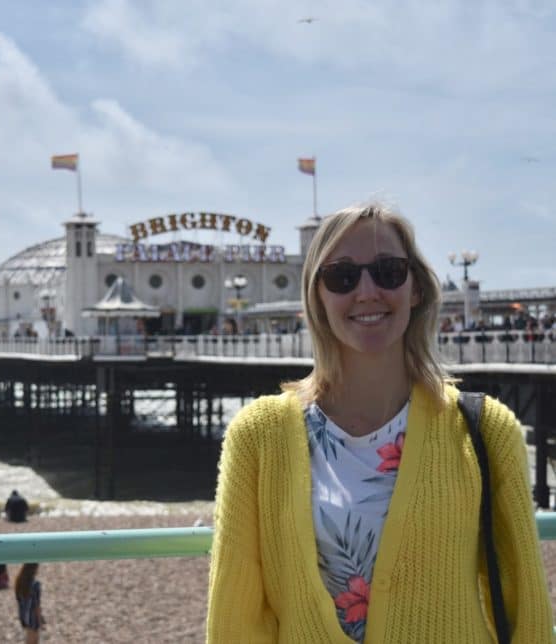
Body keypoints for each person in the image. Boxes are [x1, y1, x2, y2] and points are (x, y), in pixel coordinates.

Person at [207, 202, 553, 642]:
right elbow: (235, 617)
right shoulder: (258, 436)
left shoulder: (484, 430)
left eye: (388, 271)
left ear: (416, 289)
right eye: (342, 276)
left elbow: (527, 608)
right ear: (317, 297)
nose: (367, 291)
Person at [15, 563, 43, 643]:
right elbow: (36, 605)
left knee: (30, 639)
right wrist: (40, 619)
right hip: (33, 618)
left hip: (24, 615)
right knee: (33, 640)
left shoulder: (19, 581)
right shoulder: (35, 584)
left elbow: (19, 601)